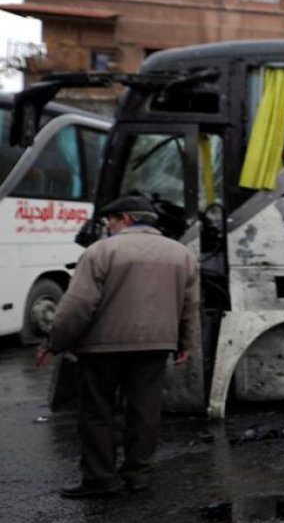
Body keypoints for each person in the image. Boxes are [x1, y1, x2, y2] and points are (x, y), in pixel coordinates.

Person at [36, 195, 200, 498]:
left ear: (124, 219)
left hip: (102, 346)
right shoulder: (182, 254)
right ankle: (138, 474)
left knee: (97, 411)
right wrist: (185, 342)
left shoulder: (101, 251)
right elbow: (189, 305)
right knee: (144, 409)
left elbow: (78, 305)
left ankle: (101, 479)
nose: (108, 227)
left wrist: (54, 342)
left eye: (110, 221)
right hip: (156, 345)